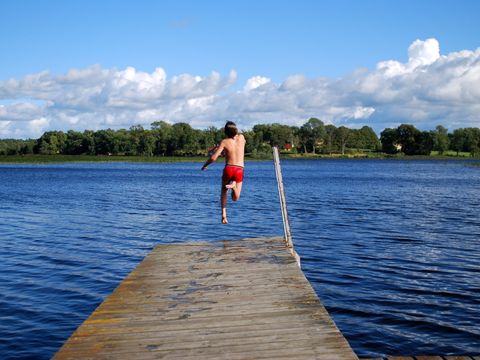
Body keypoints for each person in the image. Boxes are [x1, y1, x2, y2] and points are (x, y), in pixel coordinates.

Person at [202, 121, 246, 224]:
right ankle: (233, 186)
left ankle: (224, 216)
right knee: (236, 198)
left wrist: (205, 165)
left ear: (225, 132)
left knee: (223, 192)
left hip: (228, 169)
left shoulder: (224, 142)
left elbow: (213, 158)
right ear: (236, 129)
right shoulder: (242, 138)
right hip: (239, 169)